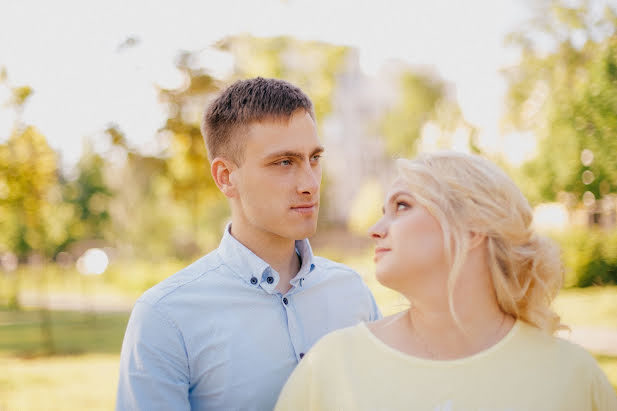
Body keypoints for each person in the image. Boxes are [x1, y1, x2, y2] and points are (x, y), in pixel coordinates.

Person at [276, 151, 617, 411]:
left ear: (472, 229)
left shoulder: (572, 377)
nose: (375, 229)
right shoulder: (331, 365)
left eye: (403, 206)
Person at [116, 77, 381, 410]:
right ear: (226, 177)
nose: (310, 184)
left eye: (314, 158)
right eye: (284, 163)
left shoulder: (353, 293)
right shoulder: (165, 317)